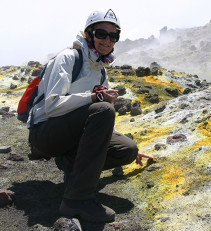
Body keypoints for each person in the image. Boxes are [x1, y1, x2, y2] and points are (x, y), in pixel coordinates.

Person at [28, 9, 153, 223]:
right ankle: (76, 200)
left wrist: (128, 145)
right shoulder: (69, 58)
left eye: (113, 36)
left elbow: (100, 118)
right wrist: (93, 97)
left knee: (127, 149)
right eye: (101, 33)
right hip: (45, 133)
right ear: (89, 34)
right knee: (104, 108)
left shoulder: (100, 69)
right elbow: (52, 106)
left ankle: (72, 166)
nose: (107, 40)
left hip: (70, 134)